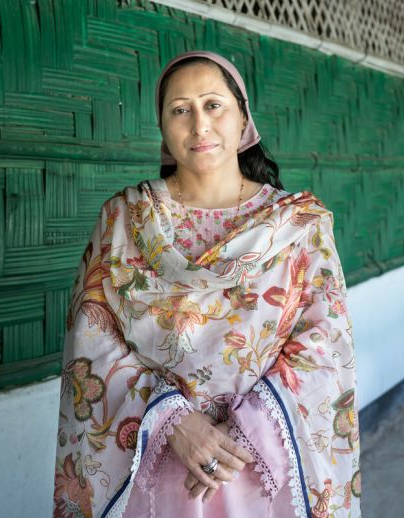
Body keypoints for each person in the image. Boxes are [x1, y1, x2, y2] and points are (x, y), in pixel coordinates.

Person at [54, 50, 360, 517]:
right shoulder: (124, 219)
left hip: (261, 466)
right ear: (162, 127)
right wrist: (175, 421)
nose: (199, 125)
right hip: (151, 460)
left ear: (243, 119)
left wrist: (247, 430)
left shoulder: (298, 225)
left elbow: (325, 340)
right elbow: (91, 339)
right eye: (180, 110)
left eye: (213, 104)